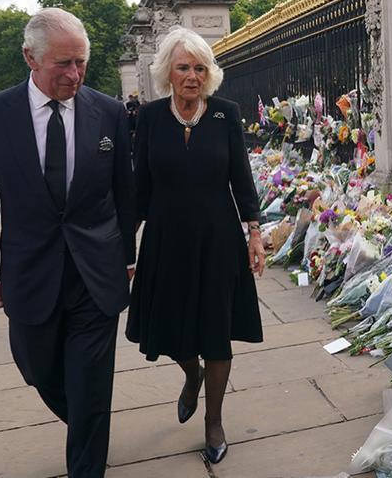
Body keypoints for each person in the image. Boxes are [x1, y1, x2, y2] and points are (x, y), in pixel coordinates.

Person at [0, 8, 135, 477]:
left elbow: (125, 193)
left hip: (95, 273)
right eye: (63, 63)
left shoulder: (110, 112)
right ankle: (86, 421)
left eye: (80, 62)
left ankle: (87, 457)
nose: (75, 74)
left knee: (92, 384)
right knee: (38, 368)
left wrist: (128, 257)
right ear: (30, 58)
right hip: (29, 271)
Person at [126, 26, 265, 465]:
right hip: (166, 240)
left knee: (216, 330)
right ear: (168, 71)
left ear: (209, 74)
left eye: (200, 68)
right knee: (173, 327)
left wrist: (255, 232)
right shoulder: (148, 117)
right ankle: (192, 375)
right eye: (183, 67)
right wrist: (125, 245)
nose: (191, 75)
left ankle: (214, 420)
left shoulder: (225, 114)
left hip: (218, 239)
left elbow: (241, 177)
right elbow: (139, 185)